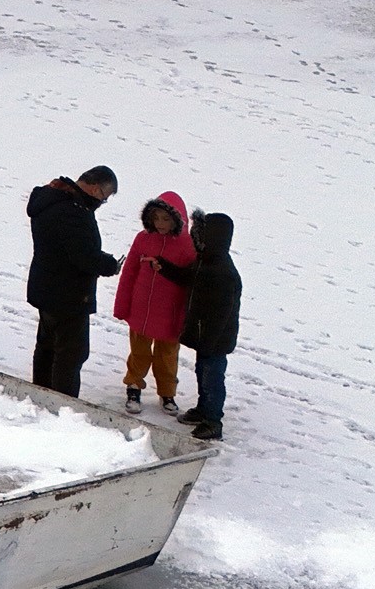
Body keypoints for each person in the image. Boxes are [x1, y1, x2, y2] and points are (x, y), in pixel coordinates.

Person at [24, 165, 120, 395]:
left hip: (45, 287)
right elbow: (83, 257)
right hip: (68, 296)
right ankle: (62, 405)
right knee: (70, 354)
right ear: (96, 189)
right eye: (104, 197)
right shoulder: (73, 212)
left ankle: (41, 396)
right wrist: (109, 264)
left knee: (46, 347)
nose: (102, 202)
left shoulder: (51, 198)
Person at [110, 192, 194, 414]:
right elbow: (129, 273)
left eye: (166, 219)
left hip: (171, 312)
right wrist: (122, 305)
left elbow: (190, 282)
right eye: (156, 218)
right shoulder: (143, 238)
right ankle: (134, 385)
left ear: (177, 219)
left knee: (167, 356)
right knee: (139, 351)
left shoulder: (187, 245)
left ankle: (167, 392)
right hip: (141, 309)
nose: (160, 224)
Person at [163, 211, 238, 440]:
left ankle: (213, 421)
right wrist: (164, 267)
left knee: (212, 378)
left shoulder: (223, 272)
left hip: (215, 340)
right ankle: (203, 409)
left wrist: (209, 341)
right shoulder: (204, 262)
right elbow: (187, 278)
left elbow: (223, 314)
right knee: (202, 373)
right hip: (204, 335)